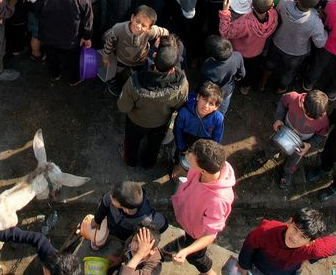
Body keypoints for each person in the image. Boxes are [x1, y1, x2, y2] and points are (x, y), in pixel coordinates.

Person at [165, 139, 236, 274]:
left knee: (196, 258)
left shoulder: (218, 200)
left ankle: (208, 272)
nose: (187, 155)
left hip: (197, 232)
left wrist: (186, 251)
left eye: (190, 159)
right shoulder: (212, 165)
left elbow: (210, 235)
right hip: (189, 221)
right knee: (188, 241)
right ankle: (185, 242)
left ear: (203, 170)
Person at [33, 0, 94, 85]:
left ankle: (55, 74)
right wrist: (86, 37)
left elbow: (37, 13)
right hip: (72, 39)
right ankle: (74, 79)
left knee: (52, 58)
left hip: (49, 38)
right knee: (73, 61)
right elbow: (87, 18)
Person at [258, 90, 331, 190]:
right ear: (302, 101)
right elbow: (283, 102)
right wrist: (278, 119)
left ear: (321, 114)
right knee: (273, 144)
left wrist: (309, 145)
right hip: (283, 130)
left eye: (312, 119)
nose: (307, 118)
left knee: (294, 159)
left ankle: (288, 172)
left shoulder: (323, 121)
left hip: (300, 144)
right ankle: (265, 155)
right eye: (306, 113)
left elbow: (321, 135)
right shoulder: (293, 98)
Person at [234, 208, 336, 275]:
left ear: (310, 242)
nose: (294, 238)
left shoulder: (314, 249)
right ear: (289, 222)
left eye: (303, 237)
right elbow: (249, 245)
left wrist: (308, 261)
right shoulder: (267, 230)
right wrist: (243, 266)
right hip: (257, 266)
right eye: (295, 229)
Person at [263, 0, 326, 94]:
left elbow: (277, 11)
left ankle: (262, 83)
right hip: (296, 53)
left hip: (277, 42)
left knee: (269, 63)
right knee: (289, 72)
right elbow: (320, 43)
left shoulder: (285, 2)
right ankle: (281, 89)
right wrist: (325, 30)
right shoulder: (316, 21)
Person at [219, 0, 277, 95]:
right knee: (251, 71)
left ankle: (236, 78)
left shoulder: (244, 22)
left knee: (239, 68)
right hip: (257, 51)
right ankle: (246, 87)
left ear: (251, 4)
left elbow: (225, 32)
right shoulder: (274, 15)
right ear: (272, 5)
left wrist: (225, 12)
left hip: (240, 53)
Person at [102, 5, 169, 94]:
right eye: (137, 21)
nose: (138, 26)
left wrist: (162, 41)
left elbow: (165, 32)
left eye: (144, 25)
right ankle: (114, 82)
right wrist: (106, 55)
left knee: (138, 76)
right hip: (121, 59)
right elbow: (109, 42)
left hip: (140, 61)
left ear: (149, 28)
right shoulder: (118, 29)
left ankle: (135, 87)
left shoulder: (151, 32)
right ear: (132, 17)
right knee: (117, 72)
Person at [89, 181, 167, 249]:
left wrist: (131, 243)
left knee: (124, 239)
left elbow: (163, 225)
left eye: (112, 200)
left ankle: (120, 242)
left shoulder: (145, 219)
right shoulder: (116, 194)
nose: (110, 197)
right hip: (112, 220)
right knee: (110, 228)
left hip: (126, 232)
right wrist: (97, 220)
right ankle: (108, 235)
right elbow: (104, 204)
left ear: (126, 209)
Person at [172, 81, 225, 180]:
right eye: (204, 99)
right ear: (198, 97)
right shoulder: (184, 112)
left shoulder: (218, 119)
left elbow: (216, 141)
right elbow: (177, 130)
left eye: (211, 104)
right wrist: (182, 147)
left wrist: (207, 154)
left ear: (216, 107)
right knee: (179, 152)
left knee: (200, 160)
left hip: (204, 142)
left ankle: (196, 174)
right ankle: (176, 164)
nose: (206, 106)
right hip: (186, 137)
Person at [0, 226, 84, 275]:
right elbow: (38, 238)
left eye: (47, 272)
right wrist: (1, 235)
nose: (44, 269)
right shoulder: (54, 258)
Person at [199, 36, 245, 115]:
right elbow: (242, 73)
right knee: (223, 105)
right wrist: (238, 77)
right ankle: (220, 116)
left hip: (213, 92)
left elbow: (203, 83)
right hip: (227, 90)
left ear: (213, 56)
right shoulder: (237, 56)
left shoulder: (208, 67)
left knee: (210, 104)